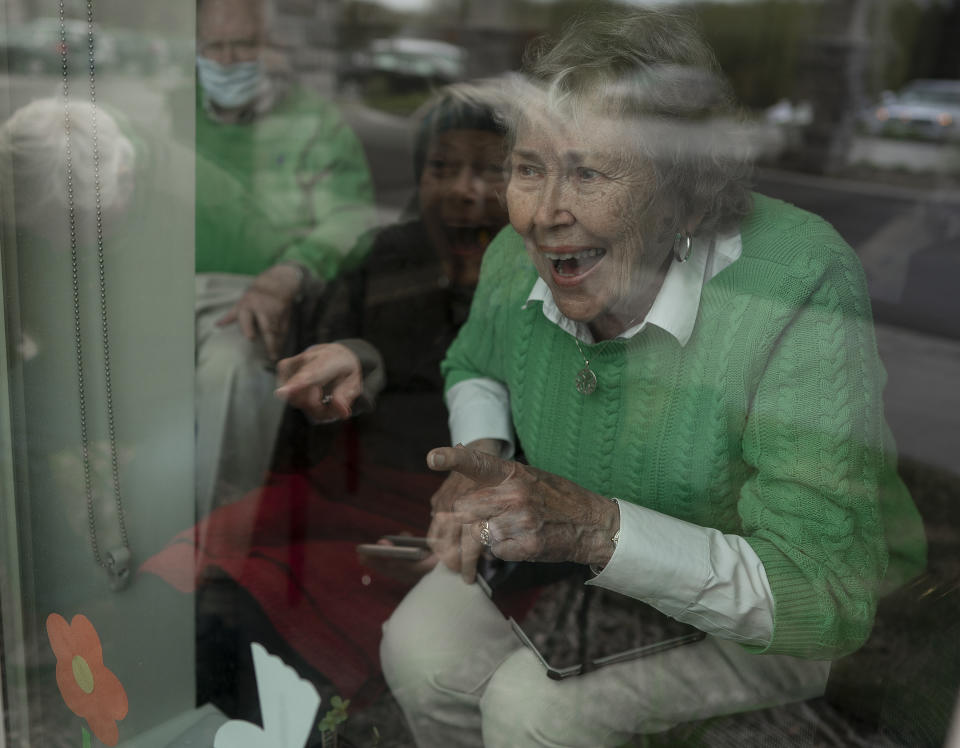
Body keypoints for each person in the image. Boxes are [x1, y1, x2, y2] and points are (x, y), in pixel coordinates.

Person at [369, 10, 927, 748]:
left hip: (773, 602)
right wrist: (487, 458)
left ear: (688, 193)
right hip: (580, 567)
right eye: (529, 169)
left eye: (589, 173)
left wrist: (600, 532)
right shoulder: (518, 255)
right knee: (417, 651)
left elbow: (822, 593)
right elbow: (476, 362)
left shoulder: (797, 281)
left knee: (533, 713)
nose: (540, 215)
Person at [193, 0, 377, 515]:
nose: (228, 60)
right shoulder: (169, 112)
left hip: (253, 295)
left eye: (244, 45)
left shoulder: (314, 124)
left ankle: (217, 543)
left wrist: (288, 273)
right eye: (215, 46)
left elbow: (351, 221)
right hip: (160, 286)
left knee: (231, 368)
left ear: (271, 49)